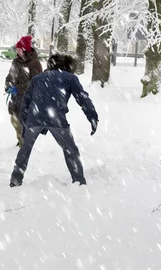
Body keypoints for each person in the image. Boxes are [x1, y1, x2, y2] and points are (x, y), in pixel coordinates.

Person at [9, 54, 98, 187]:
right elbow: (83, 98)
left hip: (35, 117)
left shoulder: (38, 78)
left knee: (25, 149)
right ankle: (79, 181)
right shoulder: (70, 78)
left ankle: (15, 180)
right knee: (70, 150)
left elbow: (25, 102)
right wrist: (92, 117)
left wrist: (25, 123)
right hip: (56, 119)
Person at [4, 35, 43, 147]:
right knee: (14, 119)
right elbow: (10, 76)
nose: (17, 51)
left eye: (19, 49)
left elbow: (35, 82)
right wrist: (8, 85)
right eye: (17, 49)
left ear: (25, 49)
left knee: (24, 121)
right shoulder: (16, 62)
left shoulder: (35, 63)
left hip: (28, 98)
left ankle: (24, 144)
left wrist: (18, 88)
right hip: (15, 97)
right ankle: (21, 139)